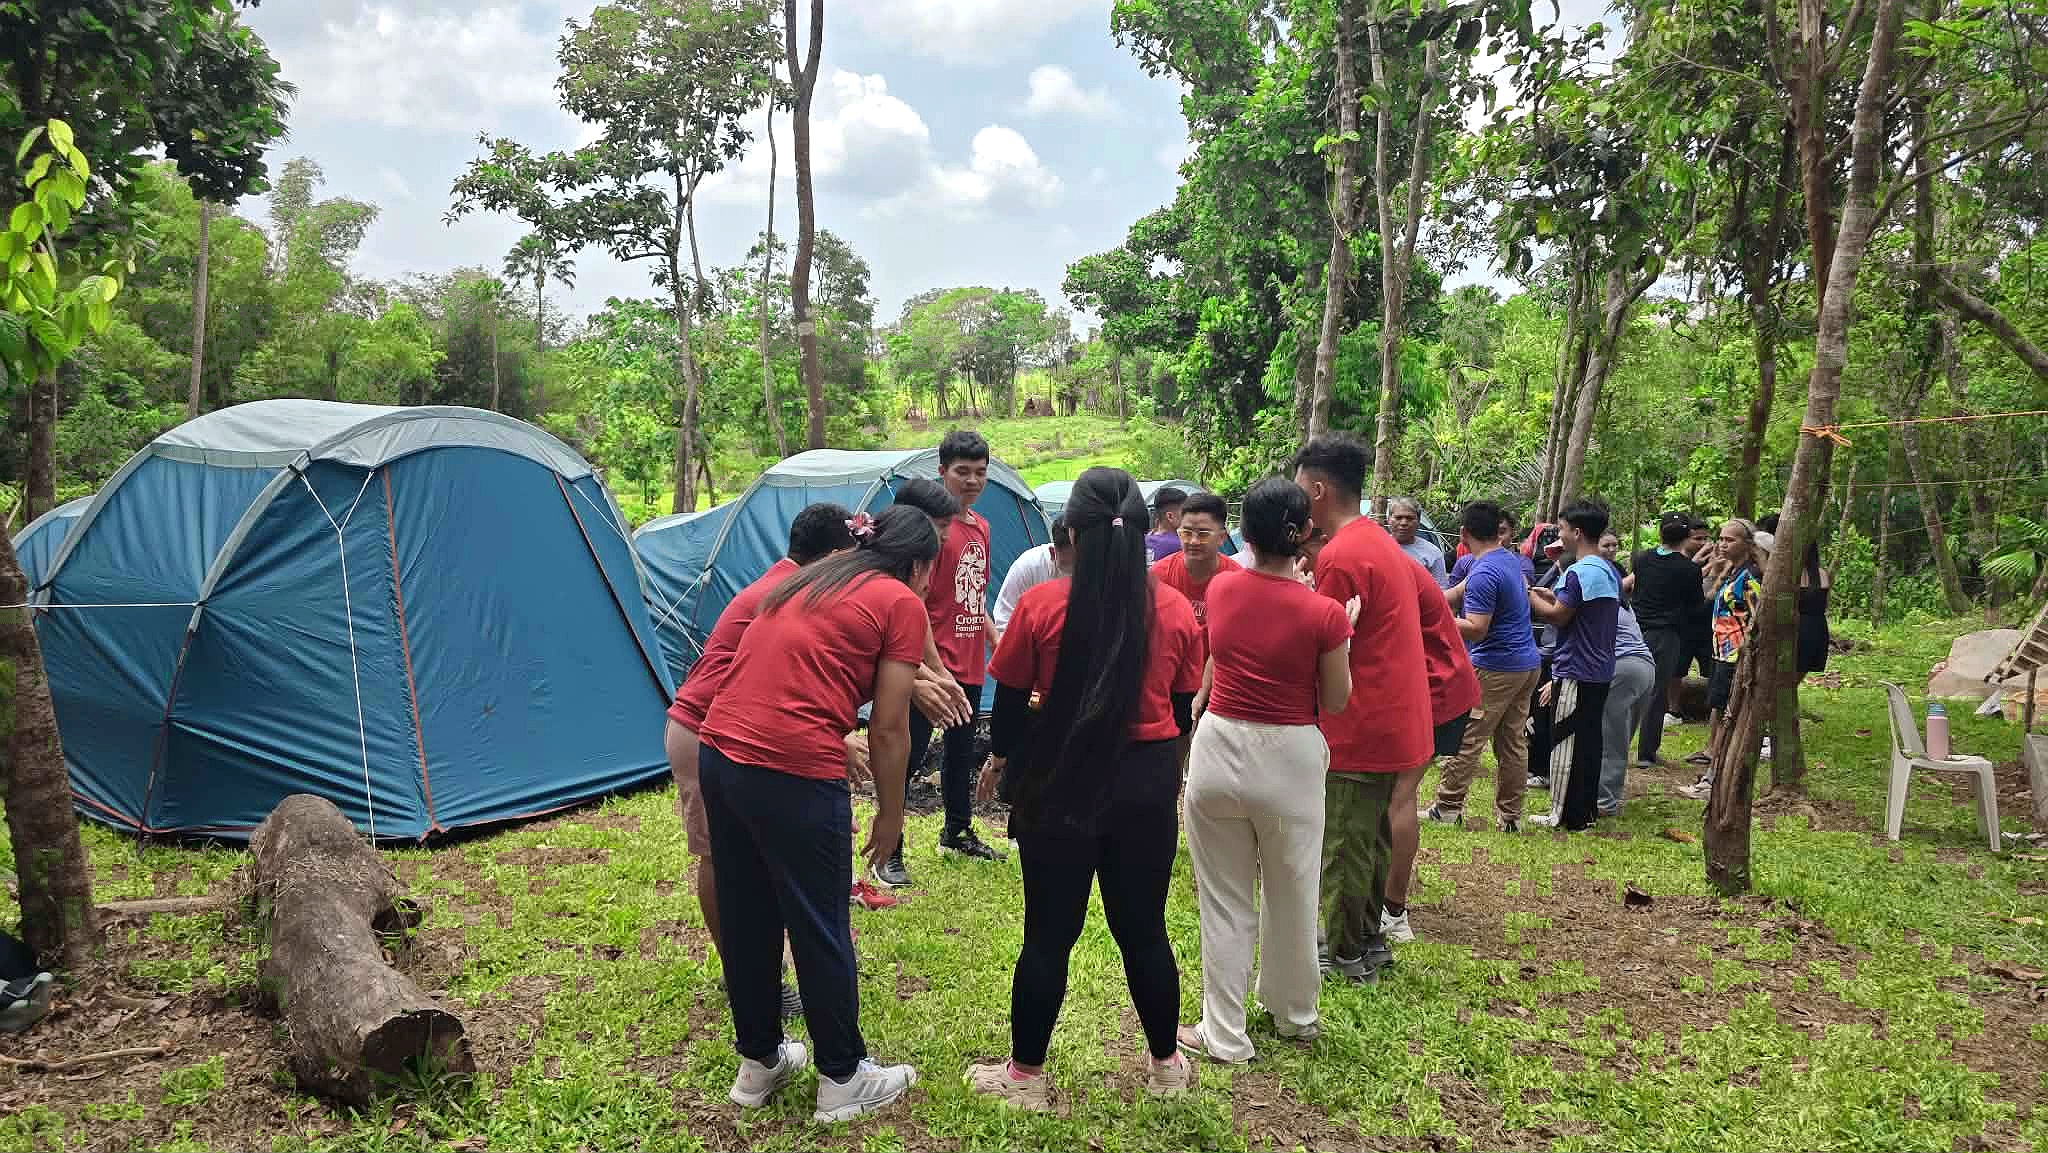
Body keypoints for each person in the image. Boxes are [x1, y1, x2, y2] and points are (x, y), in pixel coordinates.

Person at [965, 468, 1204, 1109]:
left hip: (1059, 784)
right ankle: (1167, 1067)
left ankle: (1025, 1079)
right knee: (1145, 930)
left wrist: (1002, 762)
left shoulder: (1042, 608)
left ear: (1071, 531)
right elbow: (1181, 711)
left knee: (1047, 934)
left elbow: (1009, 711)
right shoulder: (1177, 610)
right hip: (1147, 783)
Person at [697, 505, 935, 1121]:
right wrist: (891, 814)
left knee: (749, 914)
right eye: (931, 573)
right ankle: (841, 1076)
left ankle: (760, 1062)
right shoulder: (899, 601)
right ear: (916, 565)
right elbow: (889, 727)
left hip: (720, 753)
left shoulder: (807, 579)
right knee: (819, 920)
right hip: (793, 770)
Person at [1174, 477, 1354, 1064]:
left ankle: (1223, 1032)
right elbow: (1335, 699)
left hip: (1219, 746)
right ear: (1304, 534)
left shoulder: (1222, 591)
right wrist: (1341, 627)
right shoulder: (1325, 613)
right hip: (1290, 758)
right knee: (1294, 889)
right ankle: (1295, 1013)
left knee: (1224, 898)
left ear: (1241, 533)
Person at [665, 503, 857, 1021]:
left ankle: (756, 972)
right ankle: (742, 974)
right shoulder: (782, 594)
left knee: (747, 859)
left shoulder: (788, 584)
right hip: (703, 726)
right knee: (719, 860)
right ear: (836, 555)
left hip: (729, 730)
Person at [1294, 434, 1431, 984]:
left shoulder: (1342, 556)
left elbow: (1326, 642)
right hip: (1392, 715)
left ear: (1320, 489)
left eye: (1302, 490)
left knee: (1345, 842)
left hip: (1358, 719)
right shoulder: (1377, 542)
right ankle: (1369, 939)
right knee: (1370, 837)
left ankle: (1342, 950)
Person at [875, 434, 1003, 887]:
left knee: (961, 751)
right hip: (924, 664)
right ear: (942, 472)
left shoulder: (981, 528)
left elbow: (975, 593)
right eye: (961, 472)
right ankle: (889, 848)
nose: (971, 481)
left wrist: (993, 640)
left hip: (966, 661)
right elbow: (916, 601)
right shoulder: (926, 533)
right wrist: (932, 668)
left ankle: (957, 830)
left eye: (979, 472)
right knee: (905, 755)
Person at [1424, 501, 1543, 833]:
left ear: (1463, 533)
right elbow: (1452, 594)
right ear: (1498, 531)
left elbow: (1476, 627)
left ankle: (1447, 807)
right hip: (1526, 664)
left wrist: (1436, 621)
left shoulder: (1485, 572)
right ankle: (1510, 816)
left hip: (1497, 666)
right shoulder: (1504, 561)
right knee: (1512, 741)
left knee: (1468, 736)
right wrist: (1418, 598)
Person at [1384, 553, 1479, 943]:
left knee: (1398, 796)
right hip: (1436, 683)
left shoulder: (1357, 562)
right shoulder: (1384, 558)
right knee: (1393, 796)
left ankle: (1392, 909)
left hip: (1432, 689)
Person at [1527, 501, 1620, 831]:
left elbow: (1559, 616)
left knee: (1566, 741)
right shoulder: (1607, 569)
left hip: (1576, 668)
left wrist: (1530, 596)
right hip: (1600, 668)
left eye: (1563, 529)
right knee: (1589, 740)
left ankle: (1563, 813)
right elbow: (1580, 611)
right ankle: (1585, 811)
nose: (1560, 535)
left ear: (1577, 532)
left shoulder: (1579, 572)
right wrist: (1550, 596)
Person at [1679, 519, 1764, 800]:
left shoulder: (1750, 578)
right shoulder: (1731, 572)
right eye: (1722, 539)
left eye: (1731, 540)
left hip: (1735, 656)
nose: (1723, 544)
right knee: (1717, 708)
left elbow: (1758, 619)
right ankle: (1712, 766)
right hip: (1721, 653)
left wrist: (1747, 656)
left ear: (1747, 545)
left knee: (1727, 714)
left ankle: (1715, 777)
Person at [1629, 513, 1704, 768]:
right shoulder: (1690, 570)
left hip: (1636, 631)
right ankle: (1646, 753)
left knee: (1629, 690)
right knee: (1657, 692)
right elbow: (1695, 606)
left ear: (1660, 534)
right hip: (1666, 636)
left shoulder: (1642, 560)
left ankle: (1617, 746)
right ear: (1686, 538)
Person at [1152, 492, 1242, 636]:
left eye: (1203, 534)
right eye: (1186, 533)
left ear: (1222, 538)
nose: (1193, 541)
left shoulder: (1237, 580)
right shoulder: (1159, 576)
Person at [1599, 596, 1657, 818]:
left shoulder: (1599, 602)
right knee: (1618, 740)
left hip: (1623, 668)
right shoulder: (1624, 605)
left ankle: (1604, 802)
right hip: (1645, 667)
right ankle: (1609, 796)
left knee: (1610, 739)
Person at [993, 515, 1071, 642]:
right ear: (1052, 553)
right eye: (1068, 568)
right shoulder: (1029, 565)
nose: (1072, 577)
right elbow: (1004, 622)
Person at [1389, 496, 1448, 588]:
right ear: (1389, 520)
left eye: (1410, 518)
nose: (1404, 523)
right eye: (1398, 517)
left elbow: (1441, 589)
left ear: (1418, 521)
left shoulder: (1432, 552)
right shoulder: (1377, 548)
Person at [1146, 486, 1188, 563]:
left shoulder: (1145, 540)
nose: (1189, 517)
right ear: (1170, 516)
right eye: (1185, 512)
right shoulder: (1179, 546)